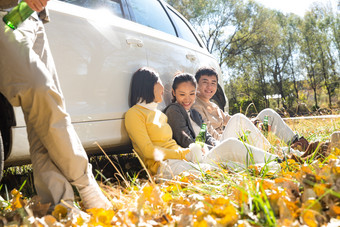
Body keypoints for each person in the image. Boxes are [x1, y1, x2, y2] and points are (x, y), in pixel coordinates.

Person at [0, 0, 111, 210]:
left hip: (32, 17)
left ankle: (60, 205)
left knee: (45, 112)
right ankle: (85, 183)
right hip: (6, 17)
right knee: (38, 88)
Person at [125, 68, 280, 179]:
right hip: (164, 166)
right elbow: (147, 150)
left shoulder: (159, 114)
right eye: (158, 81)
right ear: (148, 85)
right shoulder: (134, 114)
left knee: (233, 157)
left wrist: (193, 151)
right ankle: (276, 162)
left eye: (192, 94)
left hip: (187, 156)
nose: (162, 87)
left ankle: (277, 162)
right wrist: (185, 153)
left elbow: (200, 135)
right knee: (220, 170)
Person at [165, 73, 330, 165]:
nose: (187, 99)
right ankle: (285, 160)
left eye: (191, 94)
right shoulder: (176, 110)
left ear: (195, 91)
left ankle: (293, 152)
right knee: (235, 127)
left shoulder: (193, 113)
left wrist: (214, 144)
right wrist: (206, 147)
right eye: (182, 94)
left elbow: (204, 135)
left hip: (214, 146)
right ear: (173, 93)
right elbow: (185, 137)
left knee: (254, 116)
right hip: (202, 155)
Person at [192, 66, 309, 152]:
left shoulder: (213, 105)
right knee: (239, 118)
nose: (210, 87)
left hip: (233, 137)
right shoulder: (196, 106)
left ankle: (298, 143)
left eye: (213, 83)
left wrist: (253, 123)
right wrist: (242, 136)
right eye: (205, 82)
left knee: (267, 113)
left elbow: (229, 119)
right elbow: (208, 135)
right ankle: (273, 152)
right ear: (196, 85)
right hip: (220, 145)